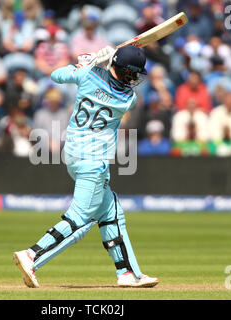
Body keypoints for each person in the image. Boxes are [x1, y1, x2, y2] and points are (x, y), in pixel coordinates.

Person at [13, 45, 159, 288]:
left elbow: (56, 75)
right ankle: (32, 255)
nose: (132, 79)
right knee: (79, 218)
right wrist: (98, 65)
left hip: (72, 154)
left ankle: (127, 273)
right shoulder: (127, 99)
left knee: (111, 213)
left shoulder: (87, 75)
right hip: (93, 162)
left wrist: (88, 64)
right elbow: (112, 86)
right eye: (130, 74)